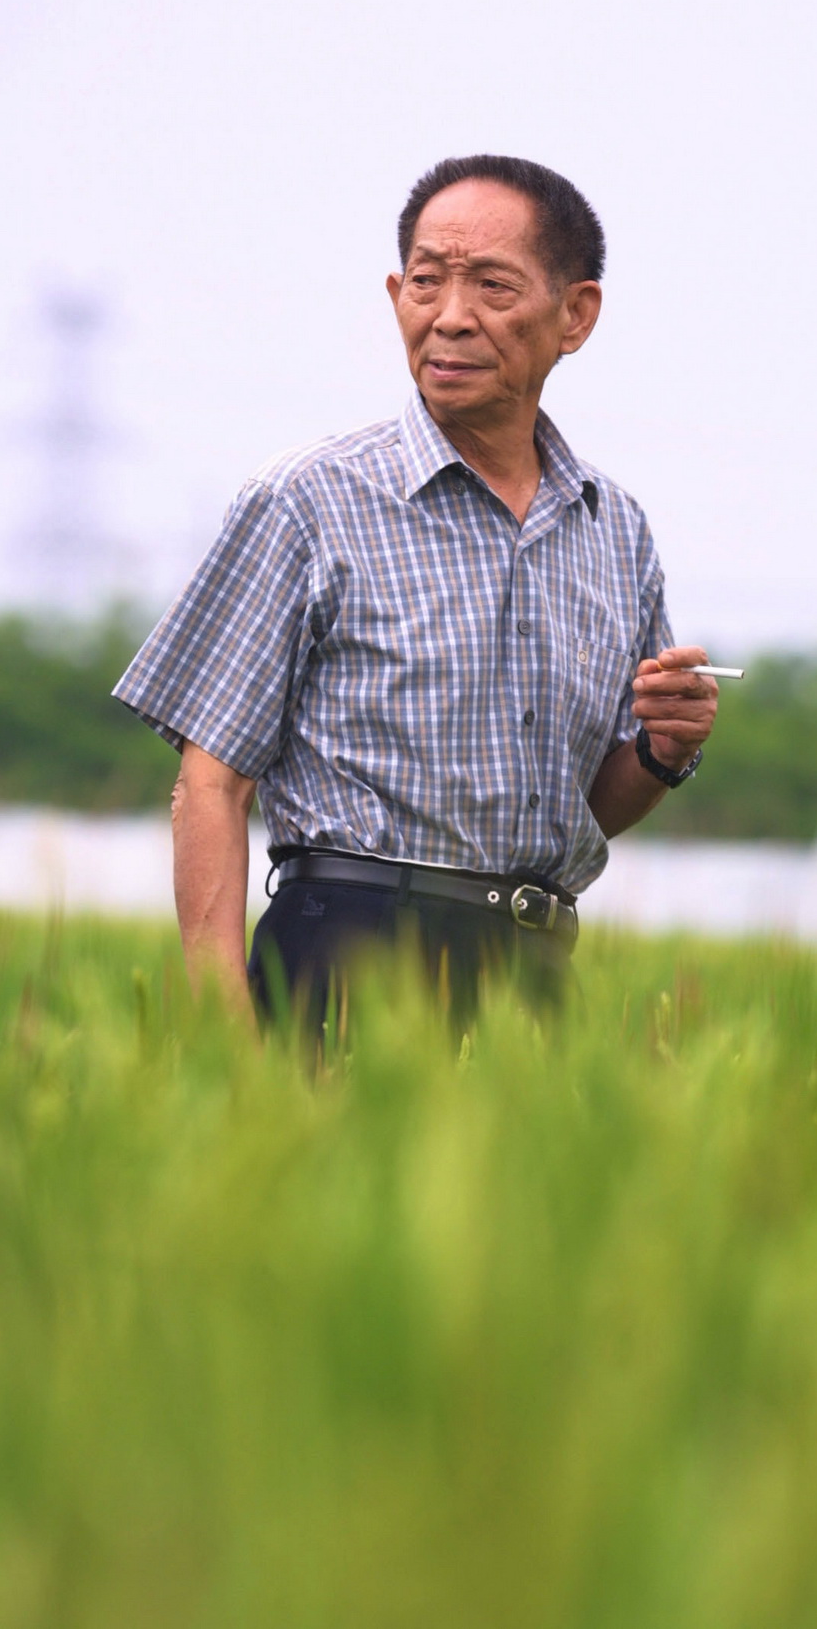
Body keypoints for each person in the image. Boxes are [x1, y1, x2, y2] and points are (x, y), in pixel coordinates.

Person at [114, 154, 719, 1031]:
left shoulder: (614, 530)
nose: (451, 318)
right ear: (397, 292)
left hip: (533, 972)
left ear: (575, 314)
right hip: (347, 954)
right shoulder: (309, 500)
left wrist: (663, 748)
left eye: (494, 288)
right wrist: (223, 1032)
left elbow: (575, 810)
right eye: (427, 282)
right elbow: (209, 789)